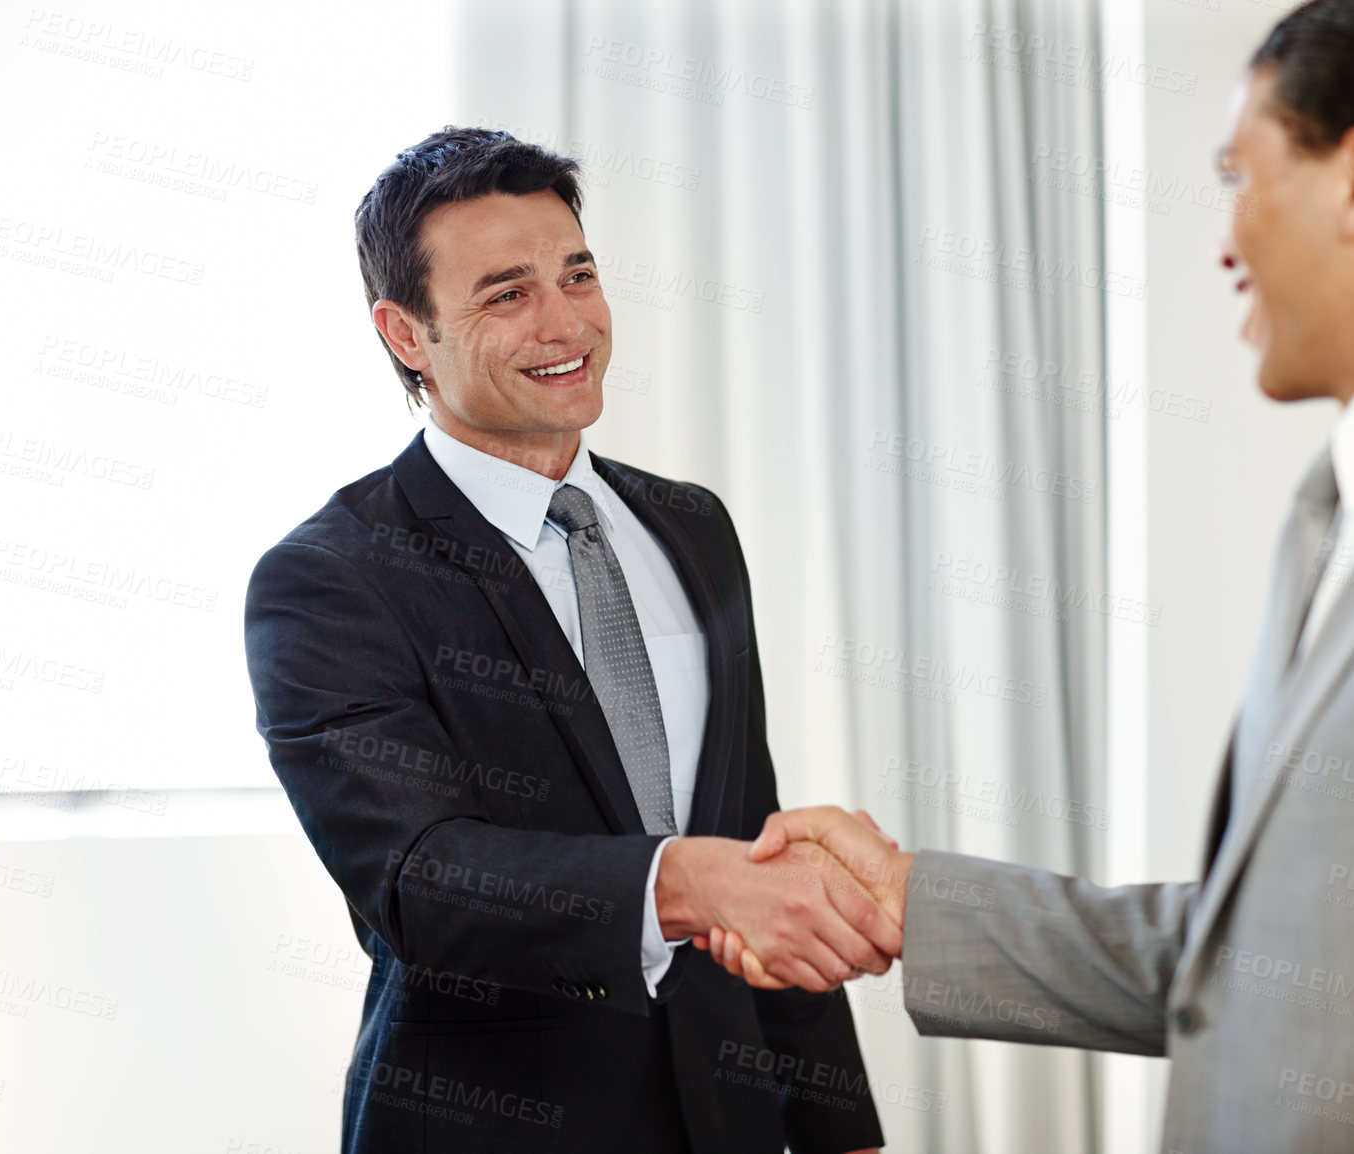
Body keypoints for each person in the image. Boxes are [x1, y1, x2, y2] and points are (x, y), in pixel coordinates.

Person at [701, 4, 1354, 1150]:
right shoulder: (1319, 526)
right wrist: (911, 895)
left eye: (1237, 174)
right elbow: (1254, 966)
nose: (1222, 239)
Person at [244, 128, 895, 1153]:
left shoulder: (692, 525)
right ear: (406, 332)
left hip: (727, 1114)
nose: (566, 322)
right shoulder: (330, 577)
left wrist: (838, 1125)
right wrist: (686, 879)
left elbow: (752, 830)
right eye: (506, 293)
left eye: (576, 274)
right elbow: (419, 880)